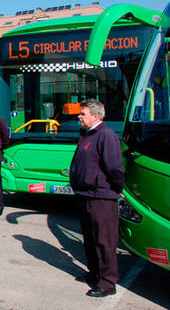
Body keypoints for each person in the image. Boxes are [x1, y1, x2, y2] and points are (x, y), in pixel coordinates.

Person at [70, 99, 124, 298]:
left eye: (83, 114)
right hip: (86, 195)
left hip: (101, 197)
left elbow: (114, 168)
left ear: (96, 115)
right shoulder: (88, 135)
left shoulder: (106, 135)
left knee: (104, 240)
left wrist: (115, 188)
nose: (79, 117)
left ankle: (108, 282)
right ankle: (94, 274)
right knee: (90, 239)